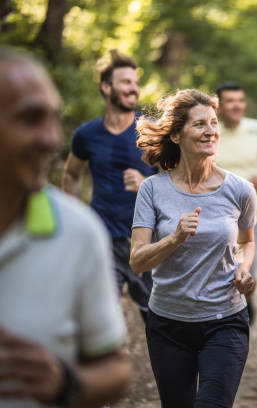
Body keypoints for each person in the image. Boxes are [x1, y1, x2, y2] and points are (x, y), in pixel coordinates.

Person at [0, 48, 131, 407]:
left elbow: (115, 367)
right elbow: (71, 173)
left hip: (133, 244)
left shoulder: (77, 232)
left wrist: (65, 383)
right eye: (30, 119)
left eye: (53, 119)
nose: (53, 140)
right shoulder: (89, 134)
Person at [130, 89, 256, 408]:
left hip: (225, 320)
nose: (211, 130)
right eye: (200, 124)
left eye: (214, 123)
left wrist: (243, 268)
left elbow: (246, 241)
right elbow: (137, 262)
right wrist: (173, 239)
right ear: (176, 133)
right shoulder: (152, 190)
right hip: (168, 325)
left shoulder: (240, 190)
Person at [61, 50, 156, 320]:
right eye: (126, 82)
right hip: (105, 240)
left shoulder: (150, 130)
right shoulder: (87, 134)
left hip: (147, 240)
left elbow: (179, 179)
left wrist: (147, 183)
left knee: (157, 322)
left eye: (135, 83)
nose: (133, 88)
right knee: (102, 316)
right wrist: (76, 218)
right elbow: (70, 174)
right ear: (106, 87)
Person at [215, 81, 257, 324]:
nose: (236, 106)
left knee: (248, 271)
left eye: (240, 100)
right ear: (219, 105)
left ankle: (247, 302)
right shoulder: (211, 131)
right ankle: (224, 318)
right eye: (230, 101)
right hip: (216, 215)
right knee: (217, 271)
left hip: (251, 215)